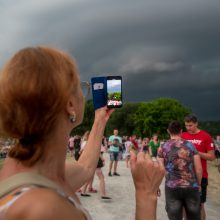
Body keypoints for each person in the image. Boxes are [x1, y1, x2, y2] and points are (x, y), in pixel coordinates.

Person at [0, 46, 165, 220]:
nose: (84, 93)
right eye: (80, 86)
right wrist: (146, 194)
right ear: (70, 104)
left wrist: (100, 119)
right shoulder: (45, 209)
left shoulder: (25, 169)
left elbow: (85, 168)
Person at [157, 121, 202, 220]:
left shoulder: (163, 147)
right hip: (191, 186)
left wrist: (157, 185)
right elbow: (198, 168)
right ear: (181, 131)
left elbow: (160, 169)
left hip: (172, 187)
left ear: (168, 131)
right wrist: (198, 184)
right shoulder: (190, 146)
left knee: (174, 217)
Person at [181, 114, 215, 220]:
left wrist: (196, 152)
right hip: (185, 175)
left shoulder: (206, 136)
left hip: (201, 175)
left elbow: (212, 157)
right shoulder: (183, 136)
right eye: (186, 126)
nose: (188, 128)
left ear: (196, 123)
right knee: (184, 205)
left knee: (199, 205)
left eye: (190, 125)